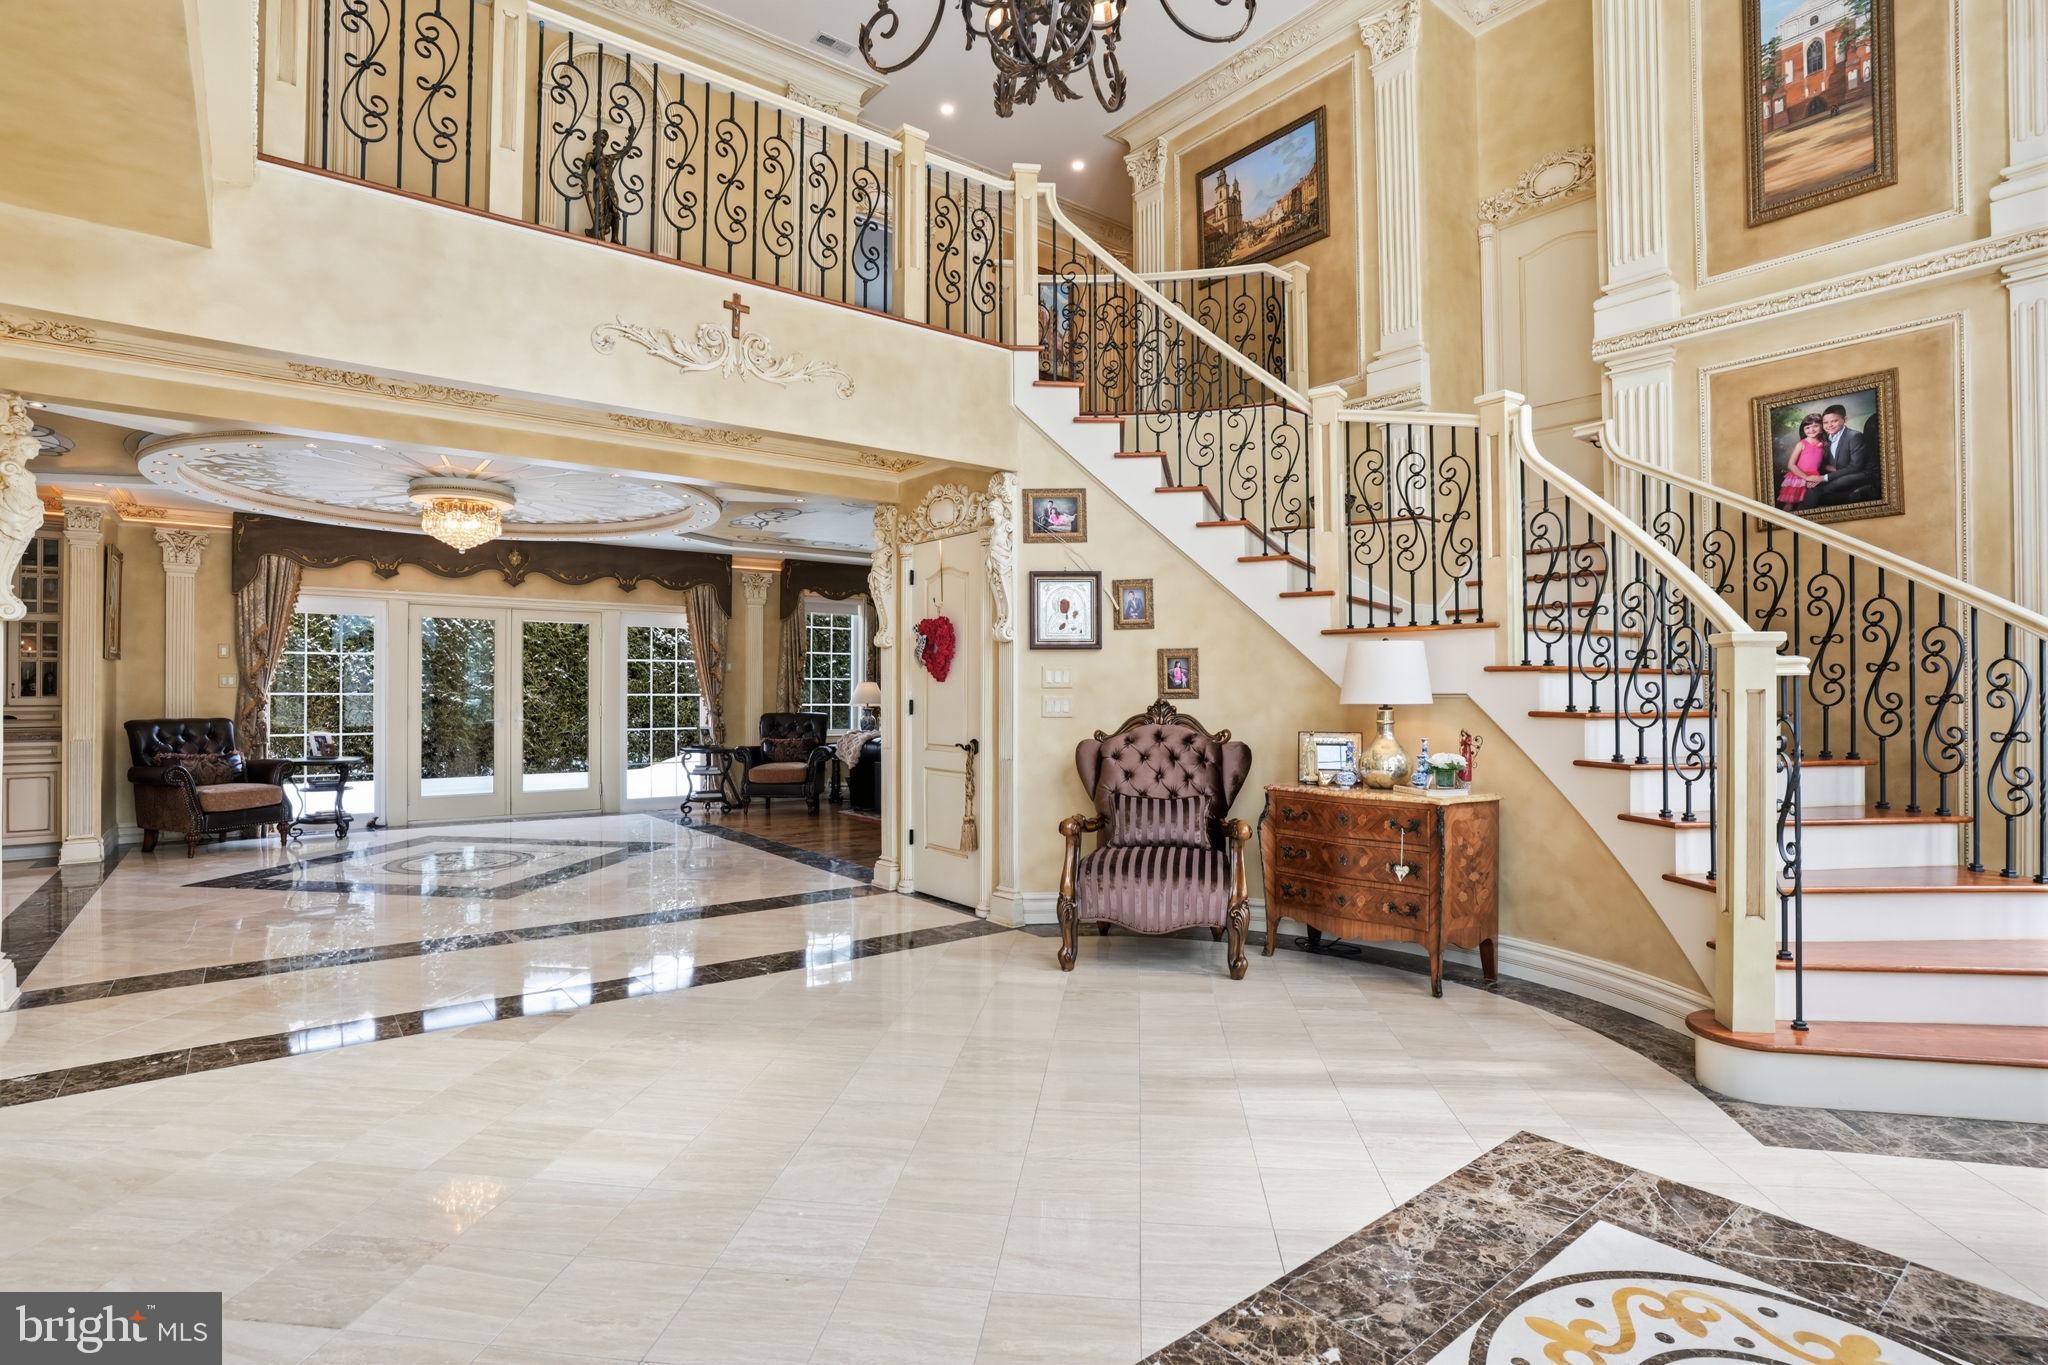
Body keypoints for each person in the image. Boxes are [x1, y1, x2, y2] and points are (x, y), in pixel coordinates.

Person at [1807, 402, 1877, 508]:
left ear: (1845, 419)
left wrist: (1823, 478)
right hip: (1843, 471)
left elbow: (1856, 467)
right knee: (1813, 489)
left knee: (1827, 488)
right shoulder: (1825, 439)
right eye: (1825, 422)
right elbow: (1823, 461)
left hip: (1863, 472)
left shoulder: (1854, 436)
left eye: (1834, 421)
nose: (1829, 425)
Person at [1777, 414, 1830, 510]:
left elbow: (1822, 465)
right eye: (1807, 427)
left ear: (1822, 428)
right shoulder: (1802, 444)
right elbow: (1791, 465)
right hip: (1799, 477)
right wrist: (1806, 477)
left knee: (1807, 501)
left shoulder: (1823, 445)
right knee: (1789, 505)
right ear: (1803, 430)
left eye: (1815, 426)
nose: (1811, 429)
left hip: (1814, 477)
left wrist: (1838, 470)